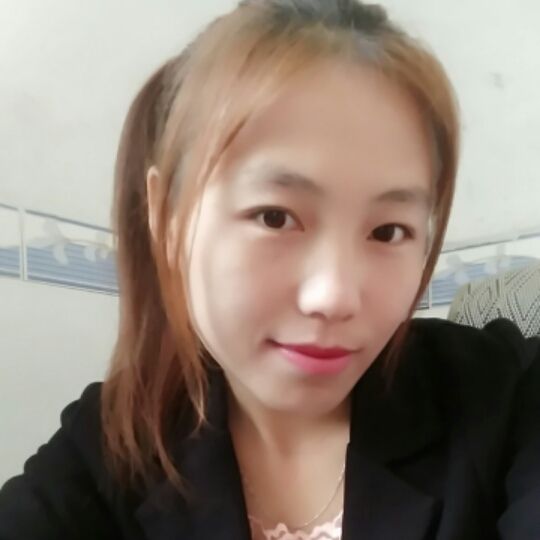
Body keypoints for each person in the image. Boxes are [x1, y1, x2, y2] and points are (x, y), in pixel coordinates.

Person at [1, 1, 539, 538]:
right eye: (275, 217)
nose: (335, 296)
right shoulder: (109, 450)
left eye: (387, 231)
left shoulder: (505, 395)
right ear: (166, 217)